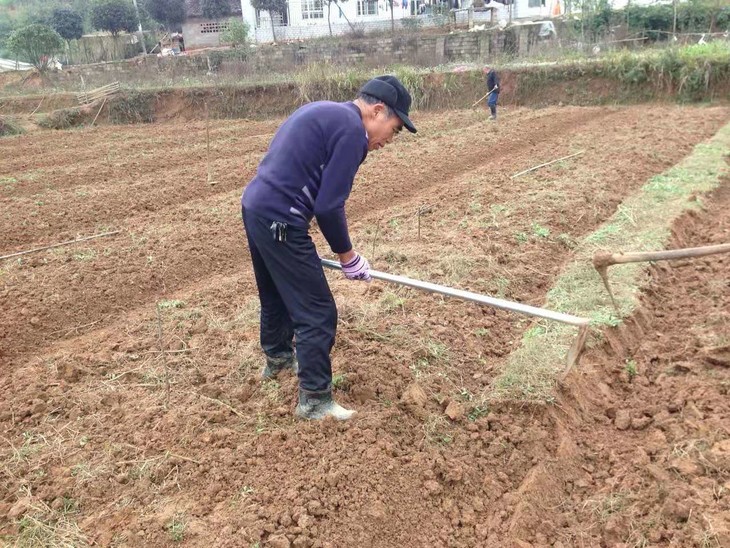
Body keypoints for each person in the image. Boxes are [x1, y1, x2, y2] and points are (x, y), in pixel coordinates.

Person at [241, 76, 417, 421]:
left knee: (276, 292)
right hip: (281, 219)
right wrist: (348, 257)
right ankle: (315, 401)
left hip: (256, 207)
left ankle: (278, 359)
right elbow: (328, 205)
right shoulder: (352, 132)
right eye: (395, 129)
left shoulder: (326, 111)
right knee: (317, 311)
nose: (389, 141)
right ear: (377, 111)